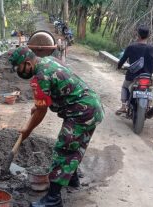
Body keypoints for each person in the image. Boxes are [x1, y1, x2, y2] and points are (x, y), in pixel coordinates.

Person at [8, 46, 104, 207]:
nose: (19, 71)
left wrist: (27, 130)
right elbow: (48, 95)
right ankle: (72, 180)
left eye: (19, 67)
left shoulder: (40, 76)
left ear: (27, 63)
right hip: (92, 106)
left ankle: (53, 199)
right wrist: (37, 105)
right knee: (76, 147)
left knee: (63, 150)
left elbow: (41, 112)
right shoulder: (48, 60)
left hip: (81, 112)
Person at [116, 25, 153, 115]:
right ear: (148, 36)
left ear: (138, 35)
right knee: (149, 88)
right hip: (147, 76)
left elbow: (122, 60)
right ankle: (149, 105)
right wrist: (152, 71)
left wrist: (119, 66)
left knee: (125, 87)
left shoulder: (131, 47)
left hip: (132, 76)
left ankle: (124, 106)